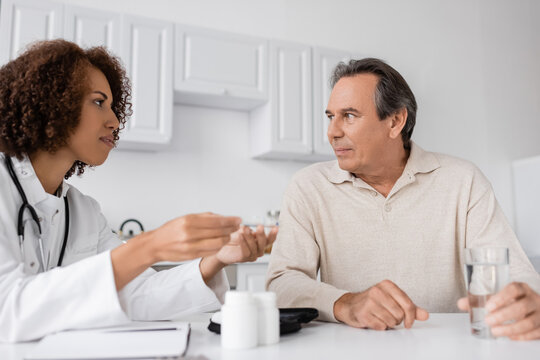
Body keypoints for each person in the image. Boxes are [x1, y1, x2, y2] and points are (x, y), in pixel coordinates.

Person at [0, 39, 277, 343]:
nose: (115, 121)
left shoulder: (82, 210)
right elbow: (8, 311)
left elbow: (137, 293)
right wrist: (149, 246)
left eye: (111, 105)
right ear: (54, 103)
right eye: (98, 102)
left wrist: (217, 259)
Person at [266, 58, 540, 340]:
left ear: (395, 121)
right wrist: (345, 303)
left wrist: (526, 301)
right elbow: (281, 284)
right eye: (330, 116)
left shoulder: (463, 180)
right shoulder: (308, 186)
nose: (332, 132)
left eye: (349, 115)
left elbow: (518, 274)